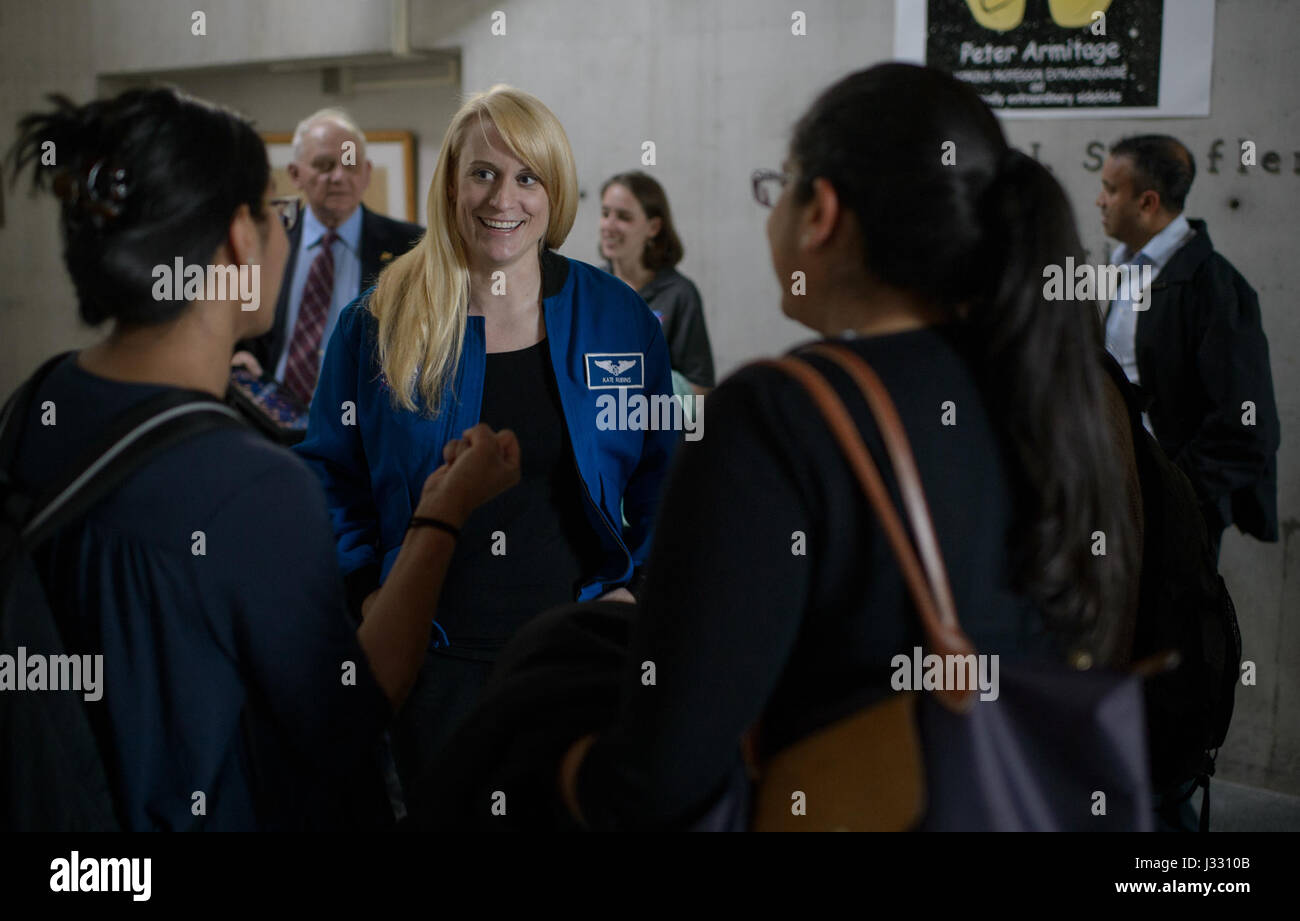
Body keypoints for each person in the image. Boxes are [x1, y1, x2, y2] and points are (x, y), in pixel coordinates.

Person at [545, 62, 1139, 829]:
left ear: (820, 211)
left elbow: (659, 777)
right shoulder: (1057, 389)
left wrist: (547, 752)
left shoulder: (775, 416)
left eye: (778, 186)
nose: (771, 214)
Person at [3, 88, 520, 830]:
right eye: (276, 212)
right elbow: (347, 714)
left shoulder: (36, 402)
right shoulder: (252, 485)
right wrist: (443, 513)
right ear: (241, 240)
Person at [293, 85, 678, 800]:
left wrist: (638, 587)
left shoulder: (619, 319)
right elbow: (328, 473)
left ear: (554, 190)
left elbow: (669, 475)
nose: (506, 195)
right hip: (432, 660)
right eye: (483, 173)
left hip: (576, 653)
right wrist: (368, 590)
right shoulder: (375, 320)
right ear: (451, 183)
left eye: (528, 176)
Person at [1096, 134, 1280, 564]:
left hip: (1171, 512)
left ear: (1147, 202)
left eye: (1110, 189)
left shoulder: (1214, 288)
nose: (1099, 200)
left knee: (1170, 629)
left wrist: (1173, 491)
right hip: (1121, 497)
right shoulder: (1128, 270)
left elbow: (1247, 427)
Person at [231, 108, 424, 405]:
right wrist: (238, 354)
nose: (338, 177)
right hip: (272, 417)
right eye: (324, 165)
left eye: (351, 165)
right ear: (295, 174)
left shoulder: (411, 247)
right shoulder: (265, 239)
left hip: (360, 424)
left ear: (367, 173)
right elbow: (235, 324)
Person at [600, 171, 715, 394]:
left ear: (653, 227)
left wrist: (638, 382)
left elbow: (701, 390)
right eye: (605, 213)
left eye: (623, 217)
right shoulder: (589, 288)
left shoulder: (680, 294)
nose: (609, 226)